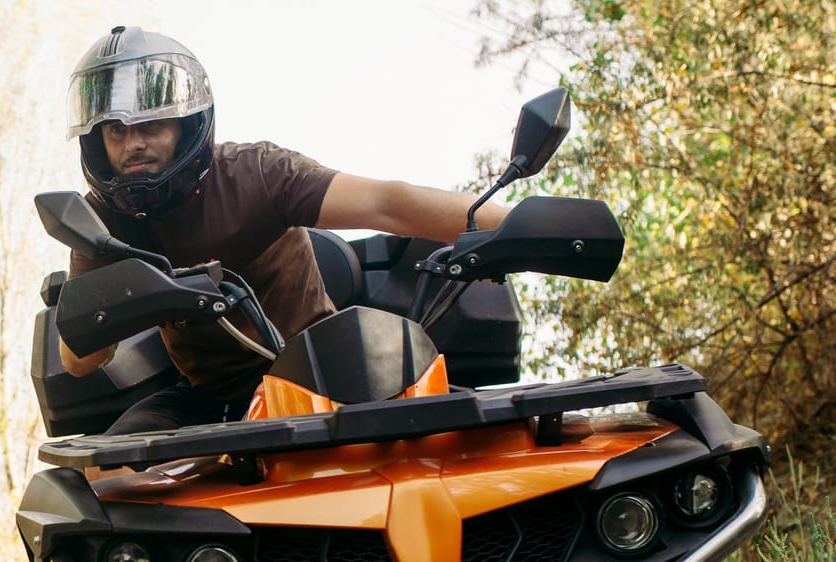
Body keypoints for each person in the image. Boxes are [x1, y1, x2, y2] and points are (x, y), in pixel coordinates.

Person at [59, 26, 510, 435]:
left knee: (490, 435)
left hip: (326, 373)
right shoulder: (102, 224)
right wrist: (131, 295)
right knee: (105, 478)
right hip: (210, 400)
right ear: (95, 140)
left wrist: (517, 225)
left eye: (150, 124)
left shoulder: (256, 174)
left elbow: (386, 203)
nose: (132, 144)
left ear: (187, 123)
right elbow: (77, 361)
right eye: (115, 130)